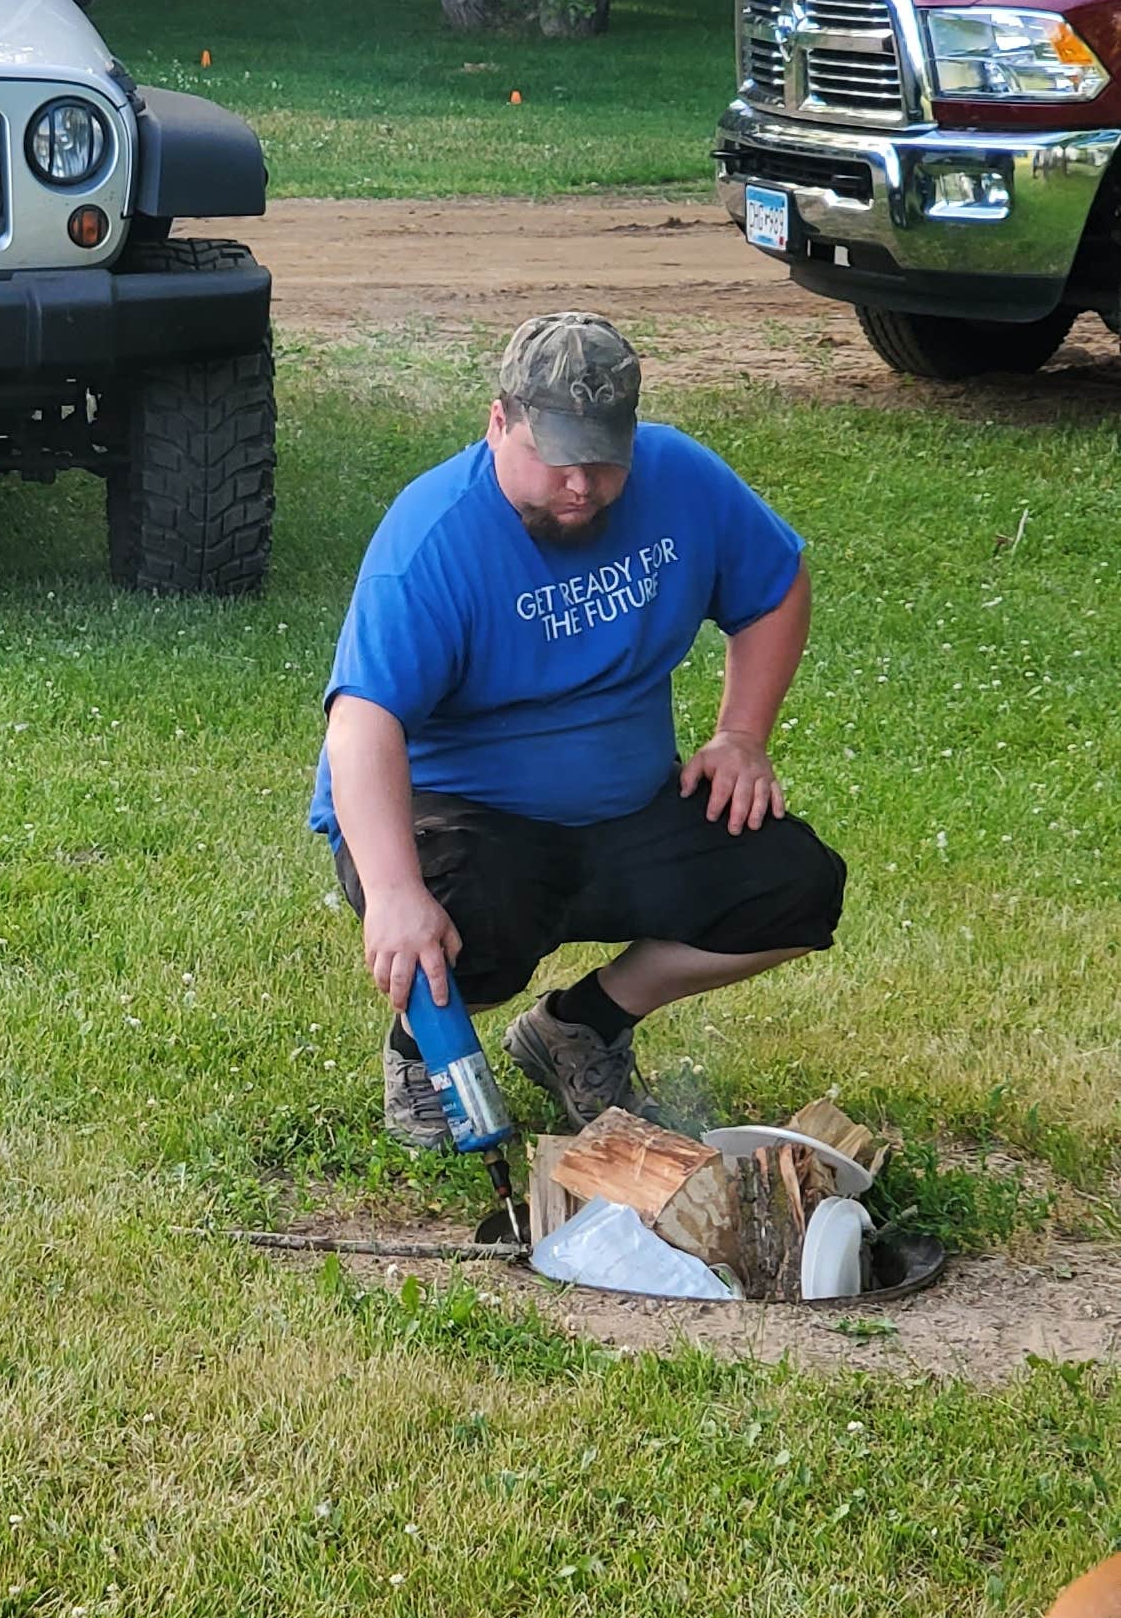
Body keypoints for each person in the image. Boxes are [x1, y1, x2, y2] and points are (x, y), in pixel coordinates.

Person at [310, 313, 845, 1140]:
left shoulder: (680, 479)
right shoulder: (432, 541)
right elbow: (362, 723)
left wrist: (741, 735)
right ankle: (421, 1055)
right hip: (463, 815)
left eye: (603, 461)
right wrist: (393, 894)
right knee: (463, 926)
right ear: (499, 423)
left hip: (627, 810)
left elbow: (775, 585)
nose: (581, 487)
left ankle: (582, 1023)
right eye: (557, 458)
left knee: (795, 887)